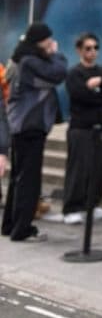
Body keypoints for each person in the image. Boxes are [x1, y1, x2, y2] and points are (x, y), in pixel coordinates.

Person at [1, 22, 67, 242]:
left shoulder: (20, 57)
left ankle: (10, 225)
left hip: (20, 124)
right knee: (29, 179)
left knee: (18, 177)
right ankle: (22, 229)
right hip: (31, 124)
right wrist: (55, 54)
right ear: (40, 41)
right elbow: (58, 73)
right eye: (48, 39)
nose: (51, 43)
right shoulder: (30, 61)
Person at [62, 33, 102, 224]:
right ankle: (72, 207)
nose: (93, 52)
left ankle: (92, 204)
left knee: (100, 169)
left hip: (100, 127)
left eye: (95, 48)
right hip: (80, 127)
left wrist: (99, 84)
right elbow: (81, 95)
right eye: (88, 48)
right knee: (78, 169)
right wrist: (98, 92)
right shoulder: (74, 73)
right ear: (79, 50)